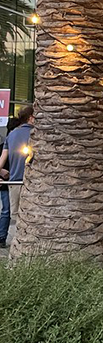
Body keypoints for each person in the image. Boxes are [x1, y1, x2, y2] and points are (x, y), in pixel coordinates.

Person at [0, 106, 34, 248]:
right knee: (31, 217)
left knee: (16, 217)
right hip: (33, 183)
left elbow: (2, 160)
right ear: (31, 117)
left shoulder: (11, 135)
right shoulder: (36, 134)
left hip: (14, 182)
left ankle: (18, 246)